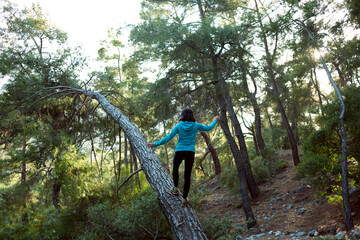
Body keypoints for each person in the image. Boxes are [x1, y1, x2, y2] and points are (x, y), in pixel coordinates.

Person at [147, 108, 220, 207]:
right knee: (187, 176)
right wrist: (215, 119)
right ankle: (184, 199)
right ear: (192, 115)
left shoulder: (179, 126)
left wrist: (155, 144)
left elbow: (168, 137)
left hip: (180, 151)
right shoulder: (196, 125)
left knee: (175, 169)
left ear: (183, 115)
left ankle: (175, 189)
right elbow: (208, 127)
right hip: (190, 152)